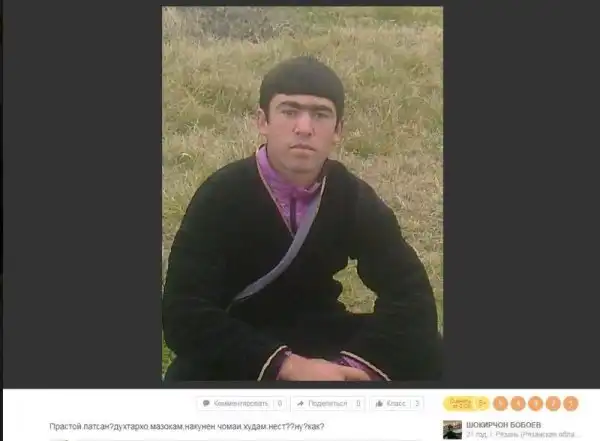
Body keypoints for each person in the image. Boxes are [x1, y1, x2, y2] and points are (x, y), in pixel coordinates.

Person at [162, 56, 442, 382]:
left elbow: (411, 294)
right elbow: (183, 311)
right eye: (289, 111)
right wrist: (289, 367)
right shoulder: (222, 194)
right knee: (187, 381)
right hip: (243, 340)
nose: (305, 128)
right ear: (262, 121)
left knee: (432, 351)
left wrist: (353, 368)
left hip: (320, 329)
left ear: (337, 130)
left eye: (320, 114)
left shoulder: (349, 195)